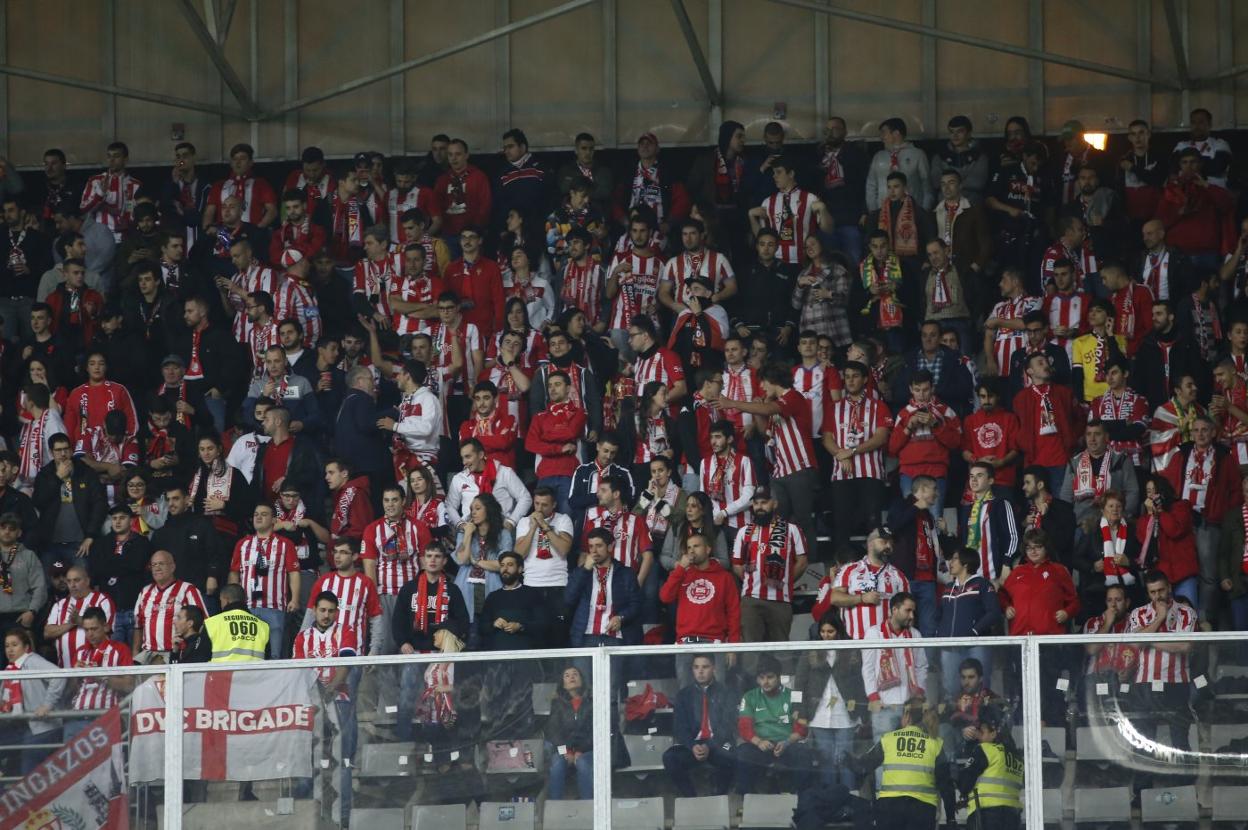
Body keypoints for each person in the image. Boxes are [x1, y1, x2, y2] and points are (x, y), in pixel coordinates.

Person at [850, 698, 950, 830]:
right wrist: (951, 817)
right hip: (922, 810)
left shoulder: (888, 739)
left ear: (907, 716)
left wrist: (846, 759)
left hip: (889, 809)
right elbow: (946, 784)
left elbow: (863, 766)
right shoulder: (935, 743)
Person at [795, 613, 866, 790]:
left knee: (844, 758)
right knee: (825, 759)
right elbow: (799, 683)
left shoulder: (851, 650)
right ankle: (829, 800)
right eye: (823, 632)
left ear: (839, 631)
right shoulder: (811, 650)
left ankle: (848, 798)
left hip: (845, 713)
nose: (826, 635)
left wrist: (863, 711)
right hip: (818, 713)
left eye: (831, 631)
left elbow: (860, 681)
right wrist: (799, 709)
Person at [731, 486, 807, 642]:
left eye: (764, 502)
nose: (759, 507)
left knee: (782, 654)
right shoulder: (743, 531)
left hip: (781, 600)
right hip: (751, 599)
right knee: (751, 653)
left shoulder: (792, 530)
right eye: (756, 503)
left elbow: (802, 562)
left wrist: (785, 579)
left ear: (775, 504)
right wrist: (750, 578)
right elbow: (737, 564)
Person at [733, 654, 813, 794]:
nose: (765, 682)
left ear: (779, 677)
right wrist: (759, 742)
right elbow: (744, 727)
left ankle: (801, 797)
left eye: (770, 677)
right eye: (761, 678)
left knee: (804, 754)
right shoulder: (750, 696)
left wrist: (787, 742)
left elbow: (802, 729)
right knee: (743, 754)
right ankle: (747, 799)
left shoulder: (793, 695)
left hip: (787, 744)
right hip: (761, 745)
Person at [229, 504, 300, 659]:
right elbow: (234, 574)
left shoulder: (285, 544)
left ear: (274, 520)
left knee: (276, 654)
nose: (258, 517)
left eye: (264, 514)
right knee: (249, 655)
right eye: (256, 514)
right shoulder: (242, 544)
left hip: (275, 606)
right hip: (247, 607)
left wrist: (294, 599)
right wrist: (234, 602)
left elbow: (293, 573)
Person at [664, 654, 738, 797]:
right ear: (692, 670)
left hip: (718, 744)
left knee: (732, 756)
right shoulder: (683, 695)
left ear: (714, 669)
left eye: (705, 667)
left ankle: (718, 796)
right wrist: (692, 746)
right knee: (670, 757)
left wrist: (709, 746)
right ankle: (690, 797)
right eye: (696, 667)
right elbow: (680, 727)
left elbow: (728, 725)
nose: (700, 671)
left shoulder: (726, 692)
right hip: (694, 745)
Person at [0, 627, 66, 775]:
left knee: (28, 763)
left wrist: (47, 705)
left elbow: (59, 675)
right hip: (21, 727)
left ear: (26, 647)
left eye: (14, 645)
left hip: (44, 727)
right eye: (7, 646)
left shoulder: (33, 661)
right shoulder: (9, 669)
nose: (10, 649)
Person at [64, 606, 133, 740]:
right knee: (73, 761)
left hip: (107, 717)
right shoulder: (79, 652)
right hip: (78, 717)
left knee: (109, 761)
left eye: (94, 629)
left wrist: (101, 676)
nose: (90, 634)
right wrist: (75, 675)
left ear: (106, 627)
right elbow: (69, 692)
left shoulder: (120, 649)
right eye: (86, 630)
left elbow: (129, 685)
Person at [862, 592, 927, 734]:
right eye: (908, 611)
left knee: (907, 753)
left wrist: (919, 693)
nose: (912, 616)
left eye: (913, 612)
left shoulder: (915, 634)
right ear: (894, 610)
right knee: (883, 749)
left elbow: (921, 666)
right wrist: (873, 697)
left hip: (909, 705)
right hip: (884, 704)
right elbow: (867, 668)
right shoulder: (874, 633)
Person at [660, 530, 741, 645]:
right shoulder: (682, 573)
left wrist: (733, 645)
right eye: (689, 547)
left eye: (696, 546)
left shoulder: (724, 577)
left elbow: (733, 613)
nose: (691, 551)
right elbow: (665, 597)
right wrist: (680, 569)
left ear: (708, 550)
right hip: (684, 640)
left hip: (715, 641)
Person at [566, 527, 642, 647]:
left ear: (610, 547)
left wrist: (621, 617)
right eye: (591, 546)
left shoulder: (626, 573)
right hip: (585, 636)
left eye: (599, 546)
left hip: (615, 637)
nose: (594, 551)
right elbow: (568, 599)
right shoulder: (580, 572)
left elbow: (636, 604)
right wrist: (585, 570)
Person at [132, 550, 206, 663]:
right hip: (147, 654)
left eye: (161, 564)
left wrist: (191, 650)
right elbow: (138, 626)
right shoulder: (144, 592)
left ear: (172, 567)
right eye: (154, 565)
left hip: (175, 653)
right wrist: (135, 653)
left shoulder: (187, 589)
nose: (157, 568)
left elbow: (203, 622)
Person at [958, 707, 1023, 830]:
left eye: (982, 732)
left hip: (986, 815)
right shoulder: (1017, 758)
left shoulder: (985, 750)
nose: (979, 737)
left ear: (993, 734)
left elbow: (964, 783)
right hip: (1012, 816)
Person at [44, 563, 115, 668]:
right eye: (69, 581)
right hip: (66, 669)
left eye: (77, 580)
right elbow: (47, 632)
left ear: (87, 581)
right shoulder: (60, 605)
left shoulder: (102, 600)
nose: (72, 585)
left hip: (96, 668)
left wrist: (80, 621)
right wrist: (72, 623)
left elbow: (107, 629)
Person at [545, 666, 595, 801]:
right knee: (556, 765)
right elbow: (553, 731)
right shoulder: (557, 704)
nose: (571, 677)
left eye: (575, 674)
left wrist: (580, 750)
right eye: (567, 675)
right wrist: (565, 751)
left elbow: (595, 730)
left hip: (588, 750)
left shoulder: (592, 702)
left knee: (583, 763)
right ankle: (554, 808)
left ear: (582, 680)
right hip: (563, 750)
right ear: (563, 683)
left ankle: (589, 806)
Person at [0, 514, 45, 634]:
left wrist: (32, 611)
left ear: (19, 533)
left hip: (19, 617)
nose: (7, 532)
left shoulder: (28, 556)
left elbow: (40, 586)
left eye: (12, 529)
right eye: (3, 528)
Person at [204, 583, 270, 663]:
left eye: (221, 600)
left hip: (221, 674)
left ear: (226, 600)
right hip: (254, 674)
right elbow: (268, 659)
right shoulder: (263, 626)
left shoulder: (211, 623)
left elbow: (202, 657)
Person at [1020, 466, 1075, 560]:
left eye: (1028, 483)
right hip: (1029, 566)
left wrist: (1045, 518)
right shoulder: (1026, 511)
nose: (1023, 487)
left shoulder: (1062, 509)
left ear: (1040, 485)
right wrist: (1023, 524)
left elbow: (1063, 543)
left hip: (1055, 566)